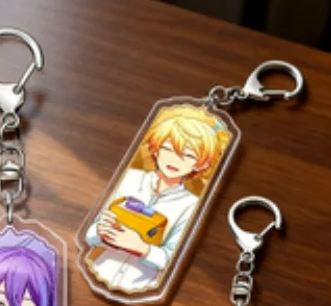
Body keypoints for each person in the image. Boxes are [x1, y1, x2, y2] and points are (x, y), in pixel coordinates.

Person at [85, 104, 231, 293]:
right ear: (155, 149)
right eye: (168, 149)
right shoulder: (130, 178)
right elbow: (89, 235)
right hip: (100, 268)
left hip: (143, 283)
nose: (175, 160)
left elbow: (172, 259)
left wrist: (142, 248)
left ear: (201, 164)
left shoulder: (191, 204)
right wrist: (100, 231)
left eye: (188, 155)